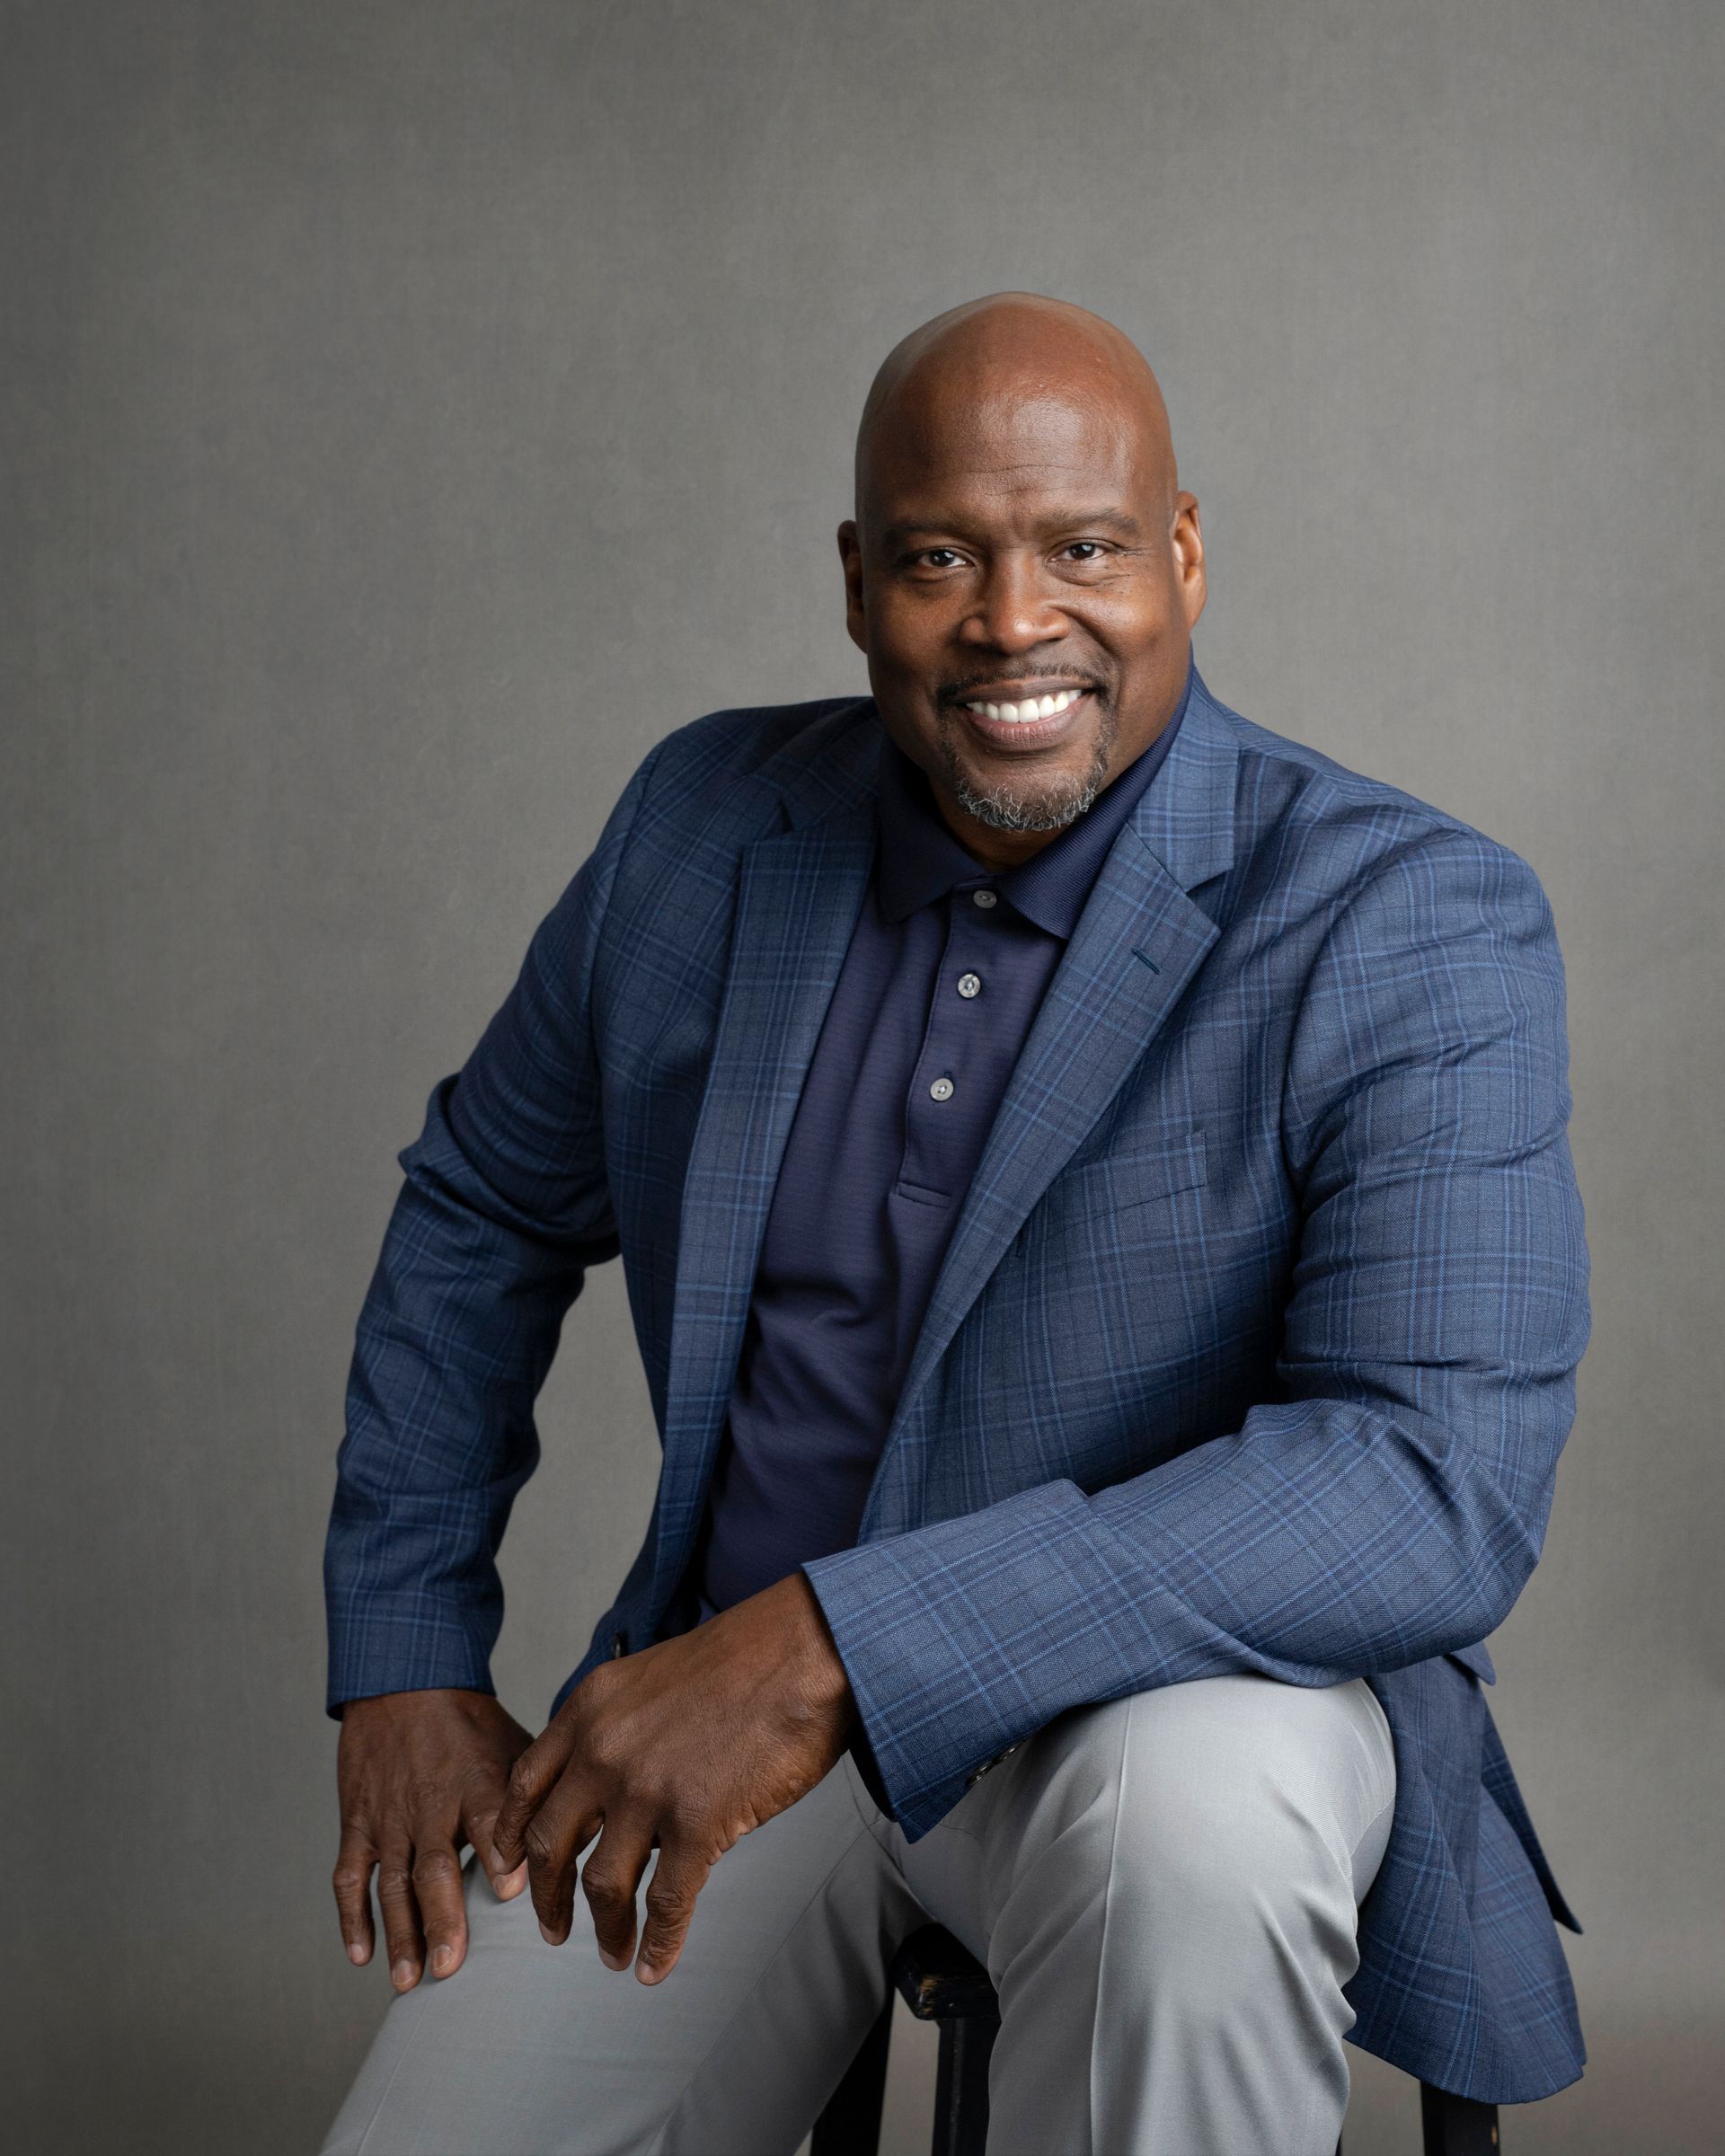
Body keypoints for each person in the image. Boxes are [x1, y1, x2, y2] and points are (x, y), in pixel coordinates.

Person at [320, 293, 1588, 2156]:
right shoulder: (704, 825)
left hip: (1154, 1720)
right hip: (723, 1713)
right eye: (940, 559)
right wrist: (408, 1653)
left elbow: (1429, 1482)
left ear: (1183, 556)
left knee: (1198, 1829)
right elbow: (483, 1205)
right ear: (856, 583)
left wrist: (836, 1641)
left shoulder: (1406, 919)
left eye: (1083, 549)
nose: (1012, 620)